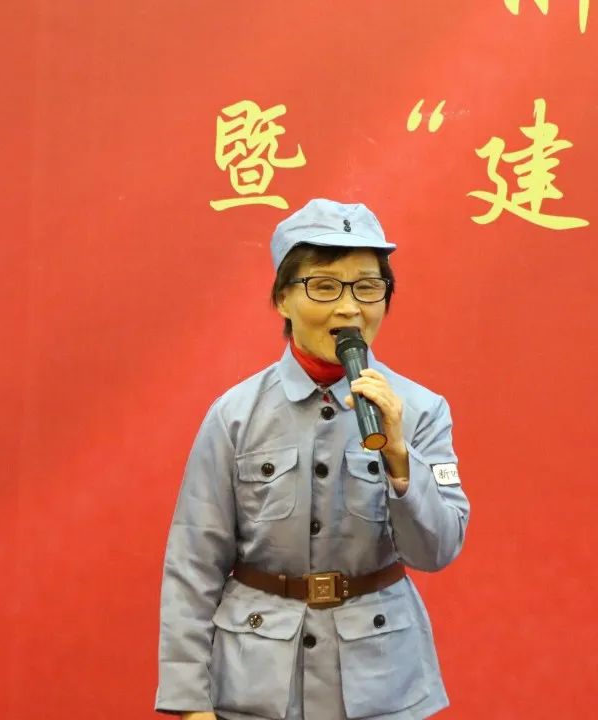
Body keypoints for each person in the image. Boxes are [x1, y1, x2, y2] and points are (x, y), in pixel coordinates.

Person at [155, 199, 470, 720]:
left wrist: (399, 458)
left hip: (381, 684)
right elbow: (193, 561)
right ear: (283, 298)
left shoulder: (420, 411)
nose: (349, 308)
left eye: (367, 287)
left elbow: (437, 550)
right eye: (324, 287)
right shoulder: (235, 415)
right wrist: (190, 702)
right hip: (258, 683)